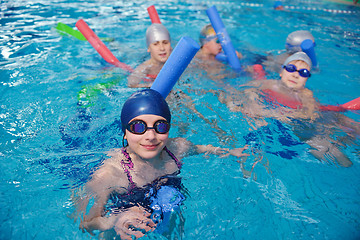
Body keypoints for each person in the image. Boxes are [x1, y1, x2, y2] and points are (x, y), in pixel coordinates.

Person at [75, 89, 249, 239]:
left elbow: (202, 148)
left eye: (160, 126)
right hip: (124, 226)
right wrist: (115, 218)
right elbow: (85, 223)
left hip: (167, 207)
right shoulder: (110, 173)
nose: (151, 136)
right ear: (125, 133)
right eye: (138, 127)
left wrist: (229, 152)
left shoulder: (177, 148)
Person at [216, 52, 358, 167]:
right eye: (291, 69)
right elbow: (242, 92)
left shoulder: (306, 95)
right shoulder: (267, 84)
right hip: (272, 122)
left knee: (334, 153)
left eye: (303, 72)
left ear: (306, 79)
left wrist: (281, 114)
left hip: (298, 127)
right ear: (281, 71)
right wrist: (237, 102)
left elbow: (309, 114)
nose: (296, 75)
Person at [127, 24, 172, 88]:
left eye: (165, 43)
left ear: (170, 46)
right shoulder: (145, 68)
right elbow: (131, 85)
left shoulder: (179, 63)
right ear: (149, 48)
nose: (162, 48)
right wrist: (150, 86)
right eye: (156, 44)